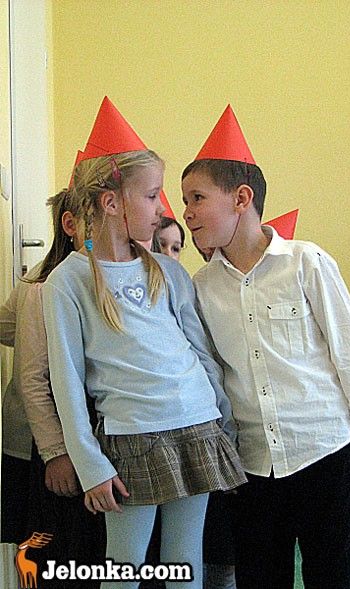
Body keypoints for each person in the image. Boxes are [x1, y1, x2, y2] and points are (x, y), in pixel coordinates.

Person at [183, 105, 350, 589]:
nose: (186, 212)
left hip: (322, 450)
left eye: (197, 198)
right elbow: (213, 374)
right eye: (184, 200)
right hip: (251, 466)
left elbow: (349, 354)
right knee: (260, 577)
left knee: (335, 575)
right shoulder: (202, 287)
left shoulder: (306, 263)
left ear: (241, 198)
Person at [43, 149, 246, 589]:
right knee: (125, 565)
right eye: (152, 195)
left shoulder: (168, 271)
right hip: (132, 439)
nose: (162, 209)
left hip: (196, 426)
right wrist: (91, 465)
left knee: (185, 559)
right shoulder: (67, 282)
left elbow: (202, 354)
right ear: (111, 202)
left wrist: (226, 427)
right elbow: (66, 380)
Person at [0, 188, 107, 588]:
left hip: (81, 441)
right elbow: (33, 377)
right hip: (44, 443)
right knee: (51, 550)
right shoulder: (44, 287)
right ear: (71, 225)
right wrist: (55, 452)